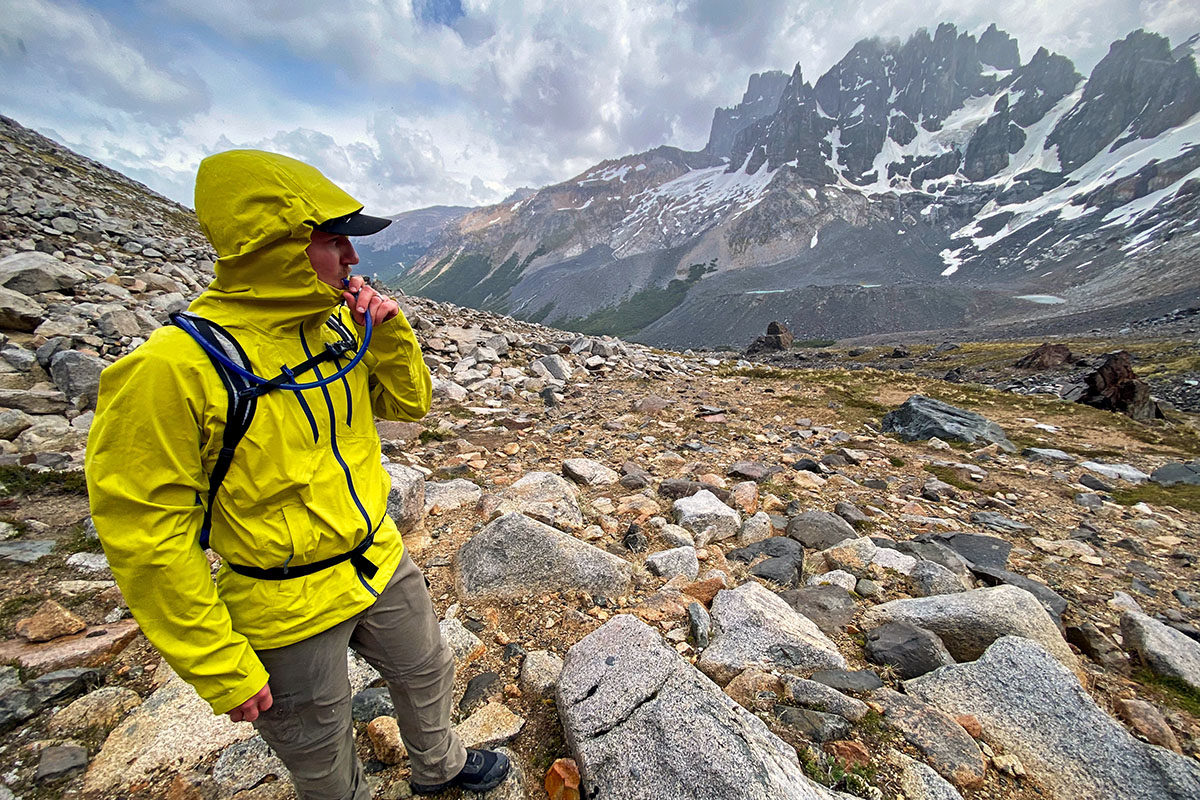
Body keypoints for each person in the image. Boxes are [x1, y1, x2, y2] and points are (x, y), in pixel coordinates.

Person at [85, 150, 510, 798]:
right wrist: (217, 662)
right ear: (275, 247)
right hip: (280, 596)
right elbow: (146, 536)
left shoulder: (337, 325)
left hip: (375, 559)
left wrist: (390, 334)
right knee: (319, 750)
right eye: (335, 240)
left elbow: (409, 405)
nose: (353, 258)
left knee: (428, 668)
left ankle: (441, 766)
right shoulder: (172, 368)